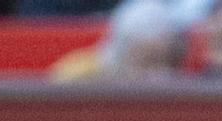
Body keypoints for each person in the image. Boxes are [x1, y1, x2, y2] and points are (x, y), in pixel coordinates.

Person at [48, 0, 189, 79]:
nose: (156, 75)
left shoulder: (183, 89)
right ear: (123, 49)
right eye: (147, 63)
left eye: (164, 63)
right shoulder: (76, 74)